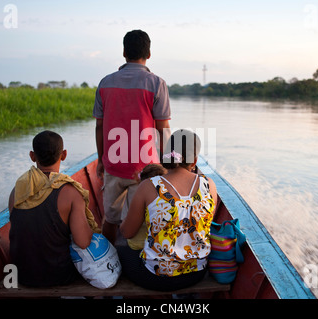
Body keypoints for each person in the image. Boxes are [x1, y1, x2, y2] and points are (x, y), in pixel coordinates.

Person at [93, 29, 171, 244]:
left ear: (124, 52)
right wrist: (168, 163)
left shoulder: (105, 83)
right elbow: (163, 128)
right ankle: (136, 259)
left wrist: (101, 160)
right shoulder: (157, 83)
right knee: (140, 219)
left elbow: (100, 127)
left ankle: (109, 256)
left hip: (113, 164)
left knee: (110, 217)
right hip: (145, 166)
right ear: (149, 53)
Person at [119, 129, 218, 291]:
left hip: (155, 277)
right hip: (196, 272)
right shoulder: (209, 185)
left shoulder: (149, 185)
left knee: (122, 251)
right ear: (194, 161)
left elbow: (127, 233)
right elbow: (204, 224)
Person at [8, 130, 99, 287]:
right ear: (64, 155)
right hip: (58, 275)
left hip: (21, 275)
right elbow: (83, 242)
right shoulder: (71, 193)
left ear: (32, 156)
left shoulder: (17, 191)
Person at [127, 164, 167, 250]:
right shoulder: (170, 202)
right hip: (162, 246)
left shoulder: (137, 199)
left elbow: (127, 233)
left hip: (139, 246)